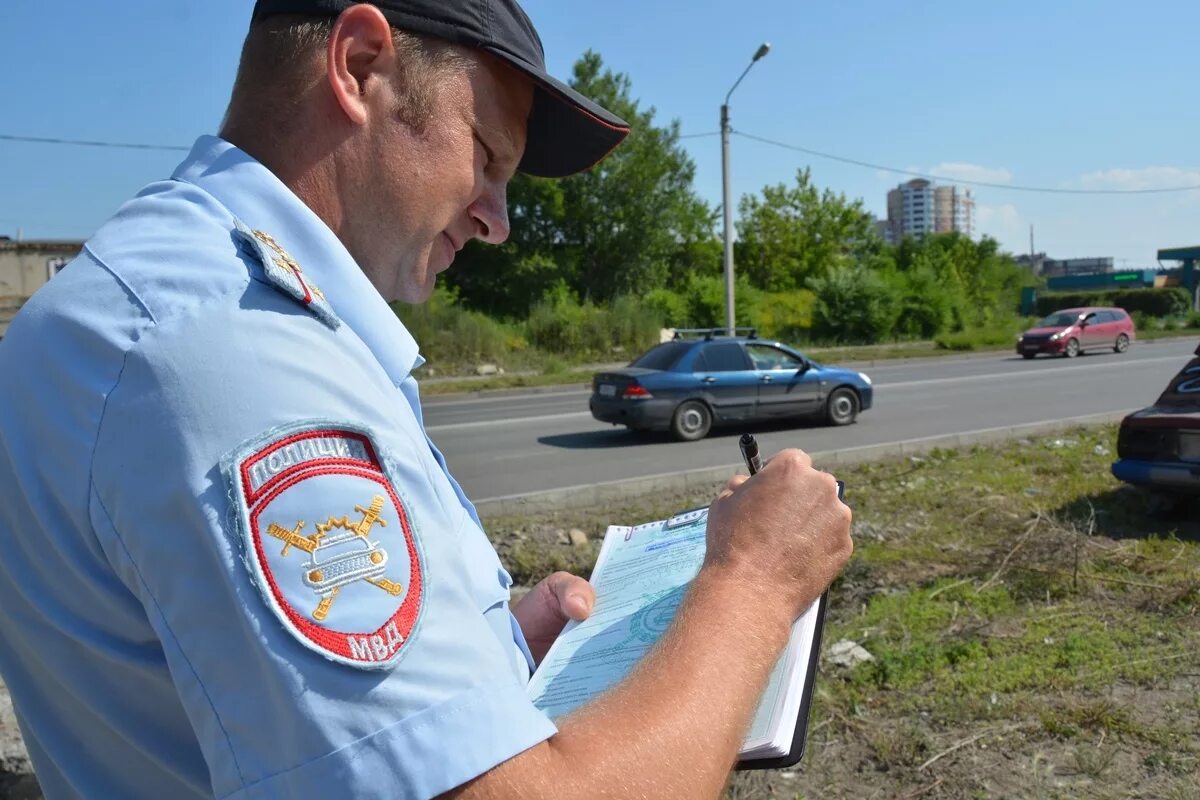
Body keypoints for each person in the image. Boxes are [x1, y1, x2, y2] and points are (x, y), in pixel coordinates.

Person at [0, 1, 853, 797]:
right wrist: (755, 580)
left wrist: (490, 658)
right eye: (487, 156)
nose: (499, 220)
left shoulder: (154, 293)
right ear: (360, 64)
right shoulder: (232, 349)